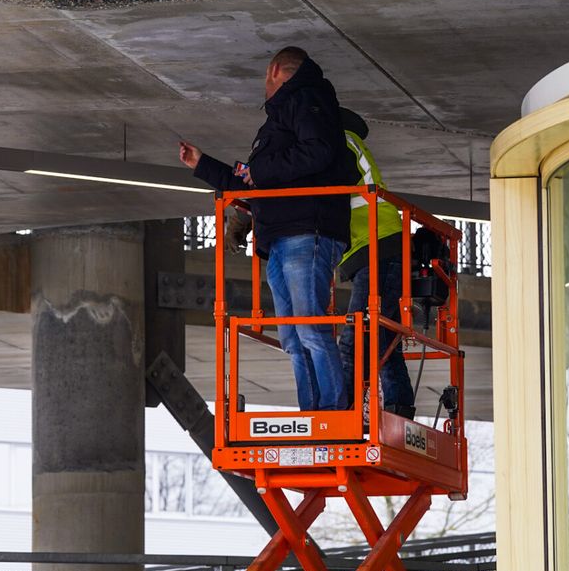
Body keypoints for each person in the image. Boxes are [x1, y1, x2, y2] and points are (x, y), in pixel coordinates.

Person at [178, 47, 356, 411]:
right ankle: (314, 414)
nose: (264, 85)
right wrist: (203, 165)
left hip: (306, 230)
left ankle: (334, 414)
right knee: (292, 335)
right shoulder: (280, 121)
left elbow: (318, 151)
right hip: (280, 236)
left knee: (308, 326)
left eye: (265, 76)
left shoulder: (307, 98)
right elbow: (255, 182)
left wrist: (260, 170)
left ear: (276, 70)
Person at [334, 108, 416, 419]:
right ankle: (398, 411)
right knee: (380, 339)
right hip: (383, 245)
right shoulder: (349, 142)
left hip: (375, 247)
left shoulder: (337, 144)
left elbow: (320, 191)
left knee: (355, 338)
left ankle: (344, 416)